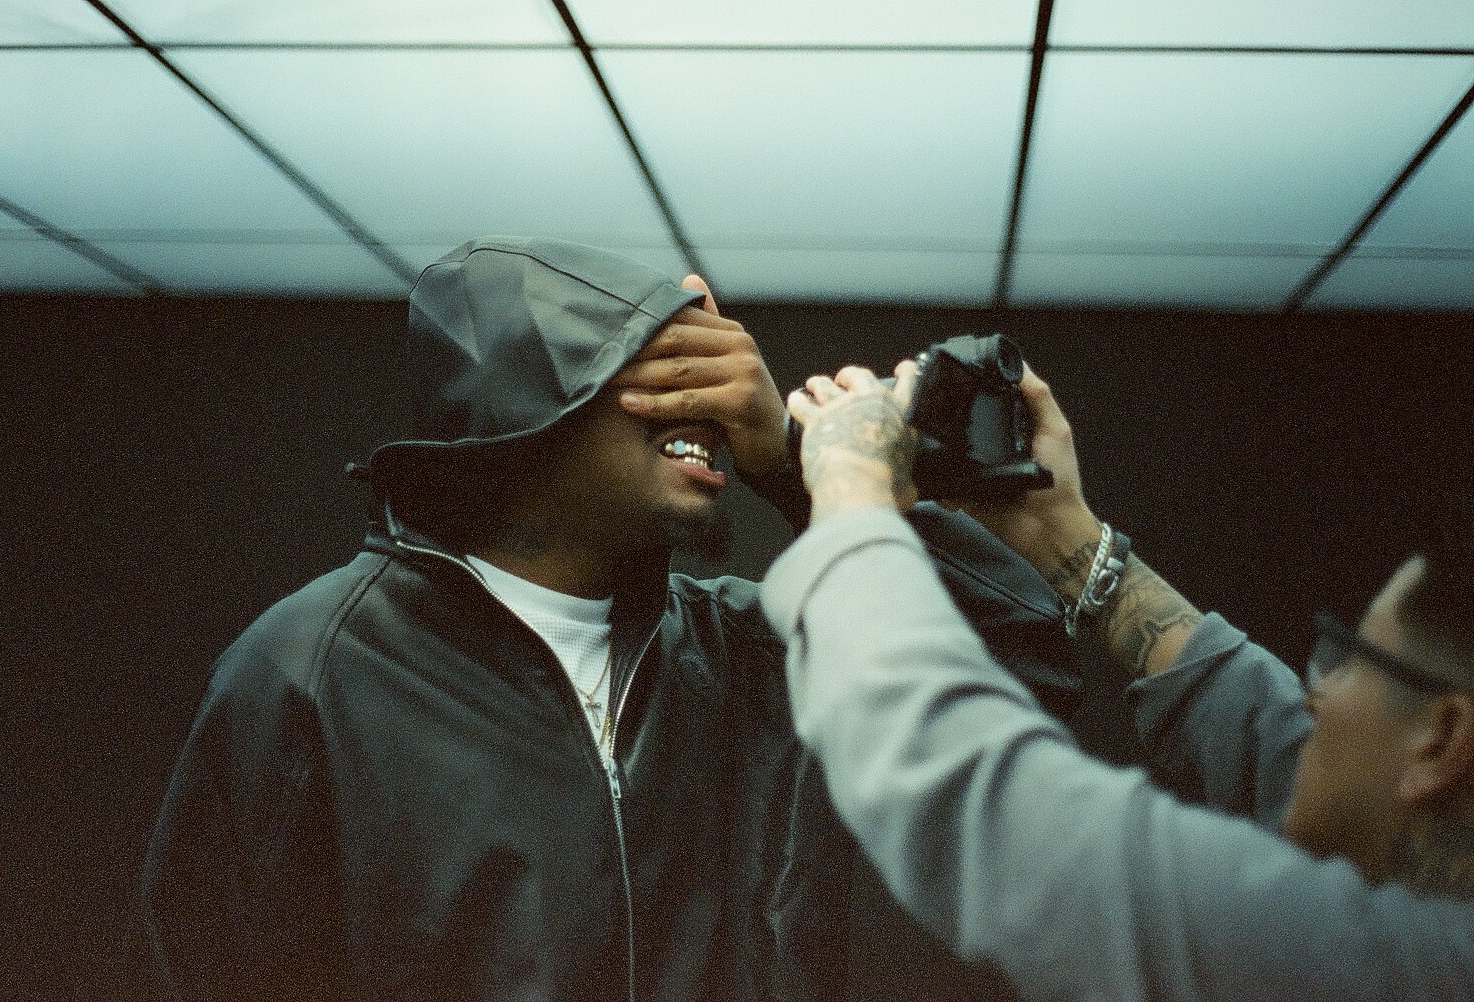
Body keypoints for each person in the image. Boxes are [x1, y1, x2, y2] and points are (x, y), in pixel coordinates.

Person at [140, 237, 1080, 1001]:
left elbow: (1022, 666)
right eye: (662, 371)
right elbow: (217, 965)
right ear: (519, 414)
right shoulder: (314, 670)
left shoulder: (742, 650)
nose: (712, 402)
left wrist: (797, 464)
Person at [763, 359, 1474, 1000]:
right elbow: (1270, 732)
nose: (1313, 693)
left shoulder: (1381, 966)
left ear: (1442, 738)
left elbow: (988, 808)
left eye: (1346, 660)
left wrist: (849, 484)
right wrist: (1065, 537)